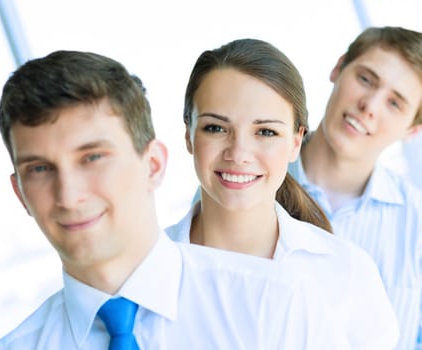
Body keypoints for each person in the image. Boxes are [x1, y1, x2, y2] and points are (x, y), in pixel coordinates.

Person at [0, 50, 362, 349]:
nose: (69, 195)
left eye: (92, 158)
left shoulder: (276, 305)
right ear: (20, 194)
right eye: (40, 169)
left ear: (153, 165)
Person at [165, 38, 399, 349]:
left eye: (266, 132)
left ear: (295, 142)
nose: (239, 153)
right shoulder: (145, 270)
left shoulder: (347, 272)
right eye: (216, 128)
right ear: (188, 135)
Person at [287, 26, 422, 349]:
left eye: (395, 103)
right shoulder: (246, 182)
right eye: (366, 79)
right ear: (338, 67)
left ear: (415, 128)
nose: (370, 105)